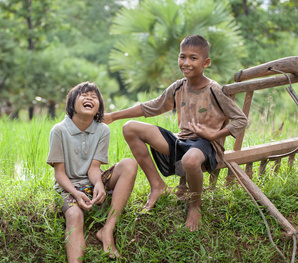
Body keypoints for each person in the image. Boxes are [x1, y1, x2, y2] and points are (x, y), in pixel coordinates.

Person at [103, 35, 247, 232]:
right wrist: (113, 115)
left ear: (206, 62)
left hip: (205, 146)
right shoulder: (178, 86)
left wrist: (214, 135)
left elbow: (241, 119)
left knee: (189, 161)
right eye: (182, 57)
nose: (186, 62)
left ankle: (195, 204)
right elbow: (152, 107)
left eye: (193, 58)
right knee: (130, 128)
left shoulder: (215, 90)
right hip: (181, 142)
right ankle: (157, 186)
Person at [46, 81, 138, 263]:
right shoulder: (59, 130)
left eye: (94, 96)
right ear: (71, 103)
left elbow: (94, 167)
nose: (89, 98)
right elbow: (59, 173)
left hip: (90, 182)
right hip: (68, 186)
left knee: (128, 164)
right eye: (83, 95)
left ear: (99, 108)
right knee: (75, 215)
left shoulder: (102, 130)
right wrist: (76, 194)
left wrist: (98, 184)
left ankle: (107, 230)